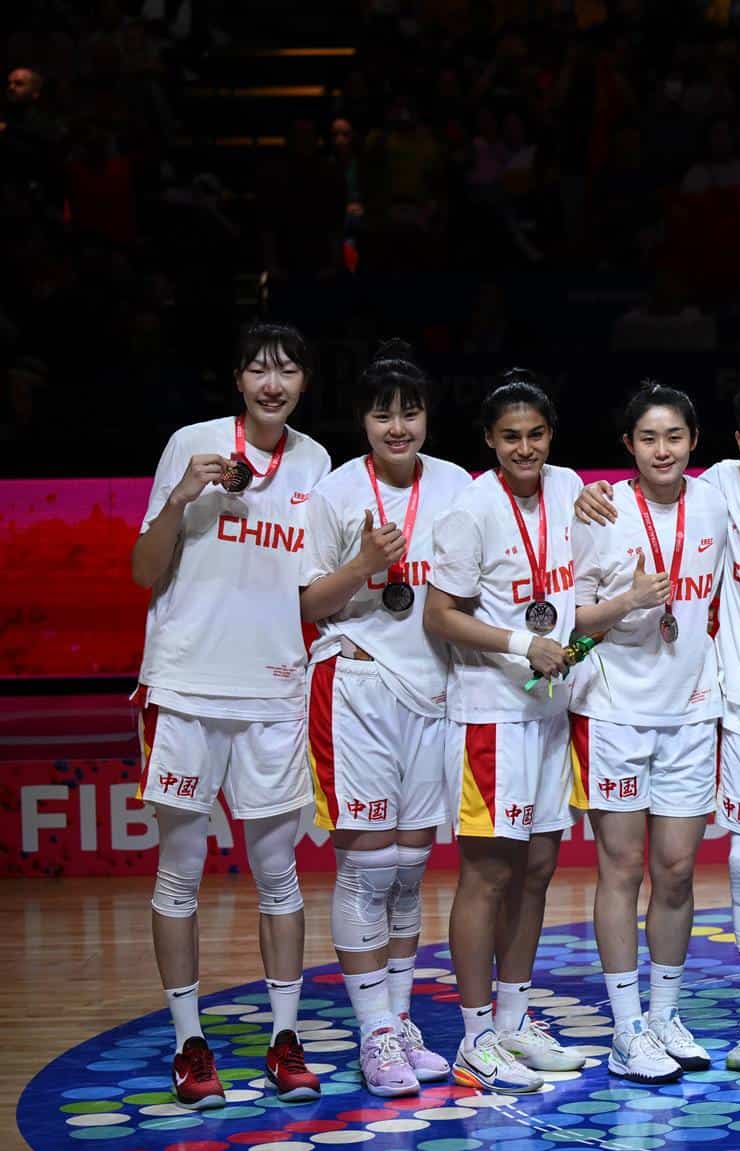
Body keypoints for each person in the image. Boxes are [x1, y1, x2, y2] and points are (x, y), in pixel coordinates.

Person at [132, 323, 332, 1110]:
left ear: (305, 382)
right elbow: (144, 570)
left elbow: (311, 590)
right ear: (239, 379)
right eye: (258, 368)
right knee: (179, 875)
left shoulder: (317, 463)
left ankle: (284, 1042)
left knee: (278, 875)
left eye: (287, 369)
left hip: (274, 695)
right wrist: (183, 495)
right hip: (185, 688)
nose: (272, 382)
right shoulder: (192, 444)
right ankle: (190, 1045)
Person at [296, 342, 466, 1096]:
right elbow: (305, 605)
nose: (397, 426)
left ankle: (397, 1024)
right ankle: (373, 1036)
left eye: (410, 410)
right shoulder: (335, 493)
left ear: (426, 414)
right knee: (365, 870)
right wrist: (365, 563)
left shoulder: (459, 485)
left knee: (407, 872)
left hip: (433, 692)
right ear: (362, 419)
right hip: (358, 686)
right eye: (381, 412)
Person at [424, 371, 587, 1093]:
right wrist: (523, 645)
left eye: (536, 434)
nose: (525, 447)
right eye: (510, 436)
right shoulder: (470, 509)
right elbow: (440, 615)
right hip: (492, 713)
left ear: (550, 436)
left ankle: (516, 1019)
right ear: (490, 440)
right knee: (488, 874)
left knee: (540, 868)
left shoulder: (570, 488)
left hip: (550, 713)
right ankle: (474, 1036)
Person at [569, 384, 732, 1084]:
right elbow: (571, 619)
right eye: (647, 437)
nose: (661, 449)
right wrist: (626, 601)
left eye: (674, 435)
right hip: (615, 711)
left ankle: (665, 1012)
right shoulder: (599, 514)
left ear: (694, 439)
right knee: (623, 868)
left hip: (693, 710)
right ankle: (626, 1026)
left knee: (675, 869)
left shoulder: (718, 502)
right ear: (628, 446)